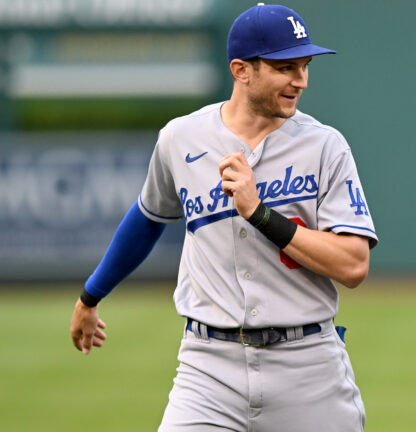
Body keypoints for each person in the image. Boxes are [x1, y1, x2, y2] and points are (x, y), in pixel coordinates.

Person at [69, 4, 377, 431]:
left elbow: (353, 265)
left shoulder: (326, 146)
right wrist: (90, 296)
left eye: (305, 66)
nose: (300, 80)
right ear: (241, 70)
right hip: (208, 367)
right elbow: (148, 217)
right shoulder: (181, 138)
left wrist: (260, 214)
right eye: (285, 67)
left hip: (307, 364)